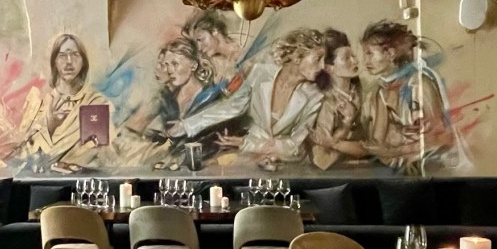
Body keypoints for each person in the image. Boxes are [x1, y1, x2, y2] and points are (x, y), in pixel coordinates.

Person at [168, 28, 327, 169]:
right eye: (318, 59)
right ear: (297, 57)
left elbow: (295, 145)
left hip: (285, 165)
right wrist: (186, 125)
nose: (322, 66)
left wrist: (246, 143)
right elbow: (232, 107)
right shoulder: (260, 73)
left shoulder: (314, 96)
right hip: (247, 160)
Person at [359, 20, 457, 173]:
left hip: (428, 168)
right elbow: (378, 141)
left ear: (391, 53)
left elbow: (441, 137)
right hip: (396, 168)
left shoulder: (419, 85)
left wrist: (393, 150)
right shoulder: (381, 91)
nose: (365, 61)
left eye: (370, 53)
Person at [17, 34, 111, 170]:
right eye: (62, 56)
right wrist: (51, 125)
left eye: (75, 55)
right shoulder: (41, 103)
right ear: (54, 62)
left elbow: (100, 154)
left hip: (81, 179)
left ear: (83, 61)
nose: (69, 62)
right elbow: (24, 154)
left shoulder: (95, 103)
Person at [309, 29, 368, 169]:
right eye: (346, 58)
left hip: (361, 164)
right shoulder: (324, 100)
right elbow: (322, 157)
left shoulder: (360, 90)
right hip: (331, 169)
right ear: (329, 68)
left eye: (353, 56)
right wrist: (347, 122)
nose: (355, 61)